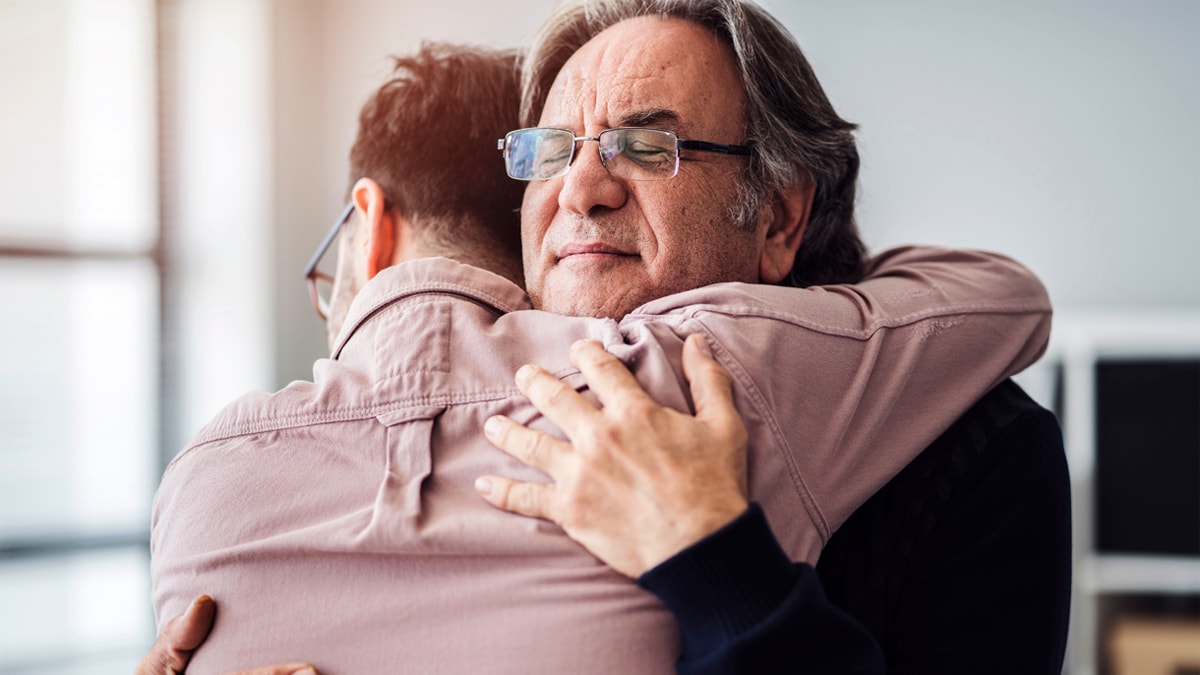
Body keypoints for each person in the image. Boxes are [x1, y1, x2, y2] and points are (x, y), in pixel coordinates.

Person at [140, 5, 1065, 673]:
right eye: (549, 151)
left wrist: (714, 557)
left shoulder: (976, 444)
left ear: (780, 222)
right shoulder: (365, 434)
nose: (581, 189)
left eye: (647, 145)